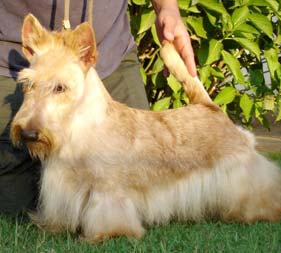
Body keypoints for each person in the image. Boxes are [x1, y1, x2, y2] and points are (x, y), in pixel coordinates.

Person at [0, 0, 197, 214]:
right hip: (16, 59)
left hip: (109, 51)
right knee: (13, 206)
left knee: (143, 167)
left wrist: (167, 8)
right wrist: (36, 83)